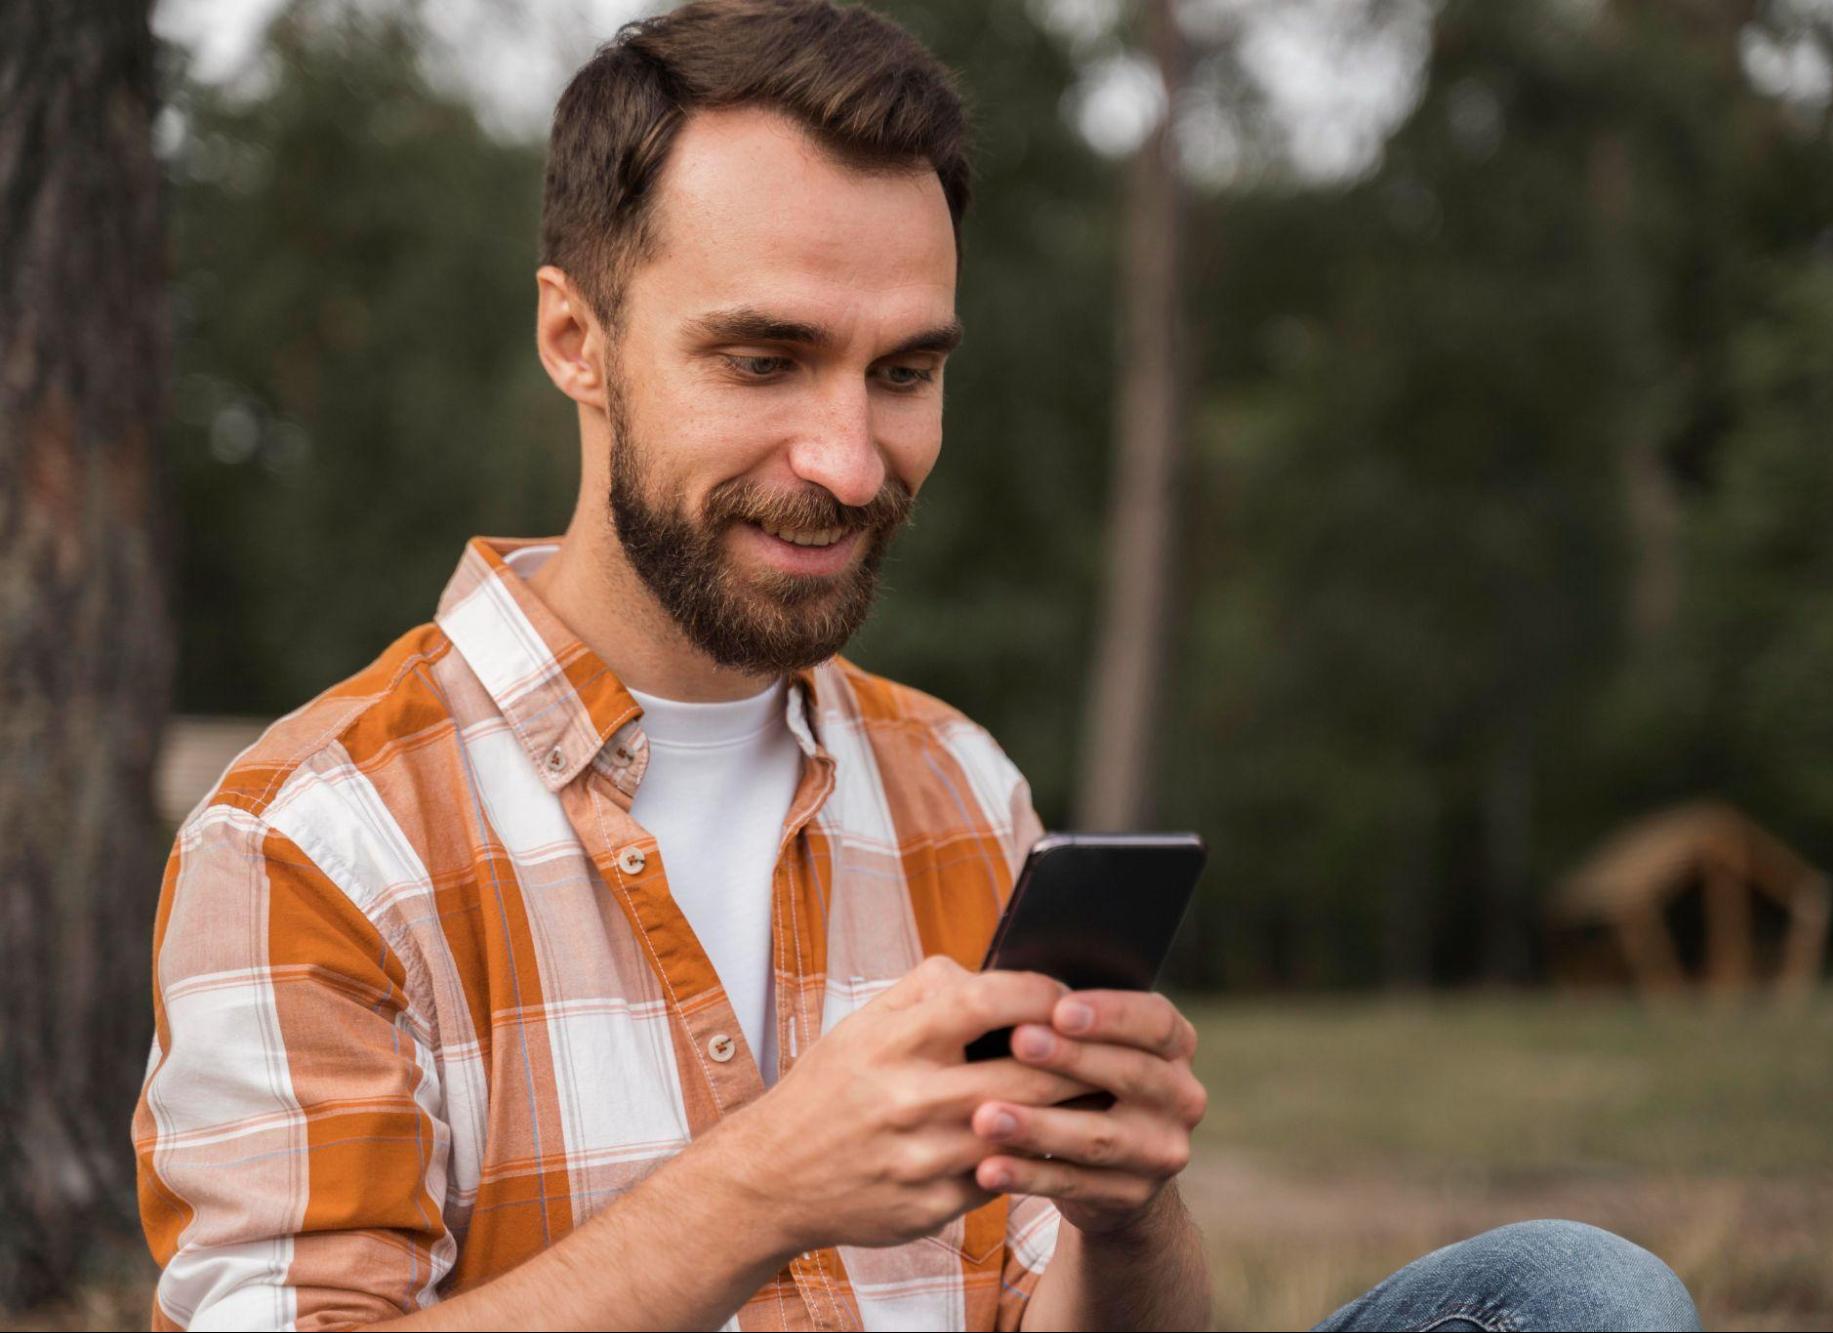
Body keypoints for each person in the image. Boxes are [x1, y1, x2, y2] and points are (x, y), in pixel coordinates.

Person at [131, 3, 1702, 1330]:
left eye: (907, 372)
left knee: (1576, 1289)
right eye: (764, 359)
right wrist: (764, 1185)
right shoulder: (308, 840)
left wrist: (1130, 1214)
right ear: (575, 339)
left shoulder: (960, 784)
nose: (849, 457)